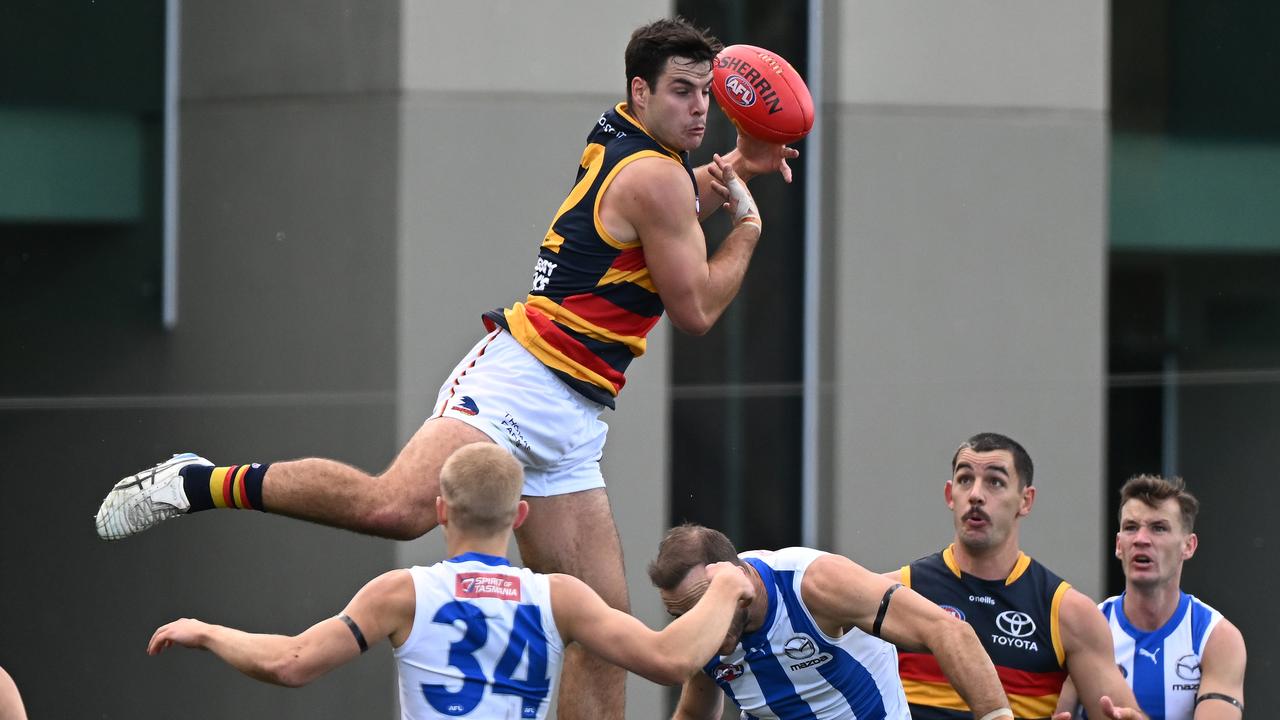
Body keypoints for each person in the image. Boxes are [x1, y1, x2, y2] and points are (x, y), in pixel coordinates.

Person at [96, 17, 797, 720]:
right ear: (640, 91)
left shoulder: (626, 137)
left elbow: (663, 217)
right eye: (682, 92)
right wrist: (746, 229)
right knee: (392, 510)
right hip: (520, 378)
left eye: (706, 92)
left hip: (575, 414)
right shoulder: (658, 176)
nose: (699, 107)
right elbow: (697, 307)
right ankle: (199, 479)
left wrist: (734, 165)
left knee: (604, 633)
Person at [147, 444, 755, 719]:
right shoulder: (559, 597)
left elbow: (293, 663)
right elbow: (670, 659)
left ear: (440, 511)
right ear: (520, 516)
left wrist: (207, 632)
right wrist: (725, 586)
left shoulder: (402, 593)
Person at [890, 432, 1146, 720]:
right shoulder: (898, 592)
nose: (975, 494)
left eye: (995, 482)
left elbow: (1122, 715)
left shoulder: (1068, 613)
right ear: (950, 495)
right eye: (965, 479)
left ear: (1026, 500)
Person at [646, 523, 1014, 720]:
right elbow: (696, 712)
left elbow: (947, 629)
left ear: (739, 580)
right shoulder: (701, 626)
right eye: (681, 615)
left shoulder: (814, 583)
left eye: (702, 605)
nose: (698, 623)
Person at [1052, 475, 1246, 719]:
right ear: (1119, 544)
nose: (1141, 539)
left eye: (1159, 528)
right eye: (1131, 528)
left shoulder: (1216, 637)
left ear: (1189, 546)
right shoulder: (1084, 627)